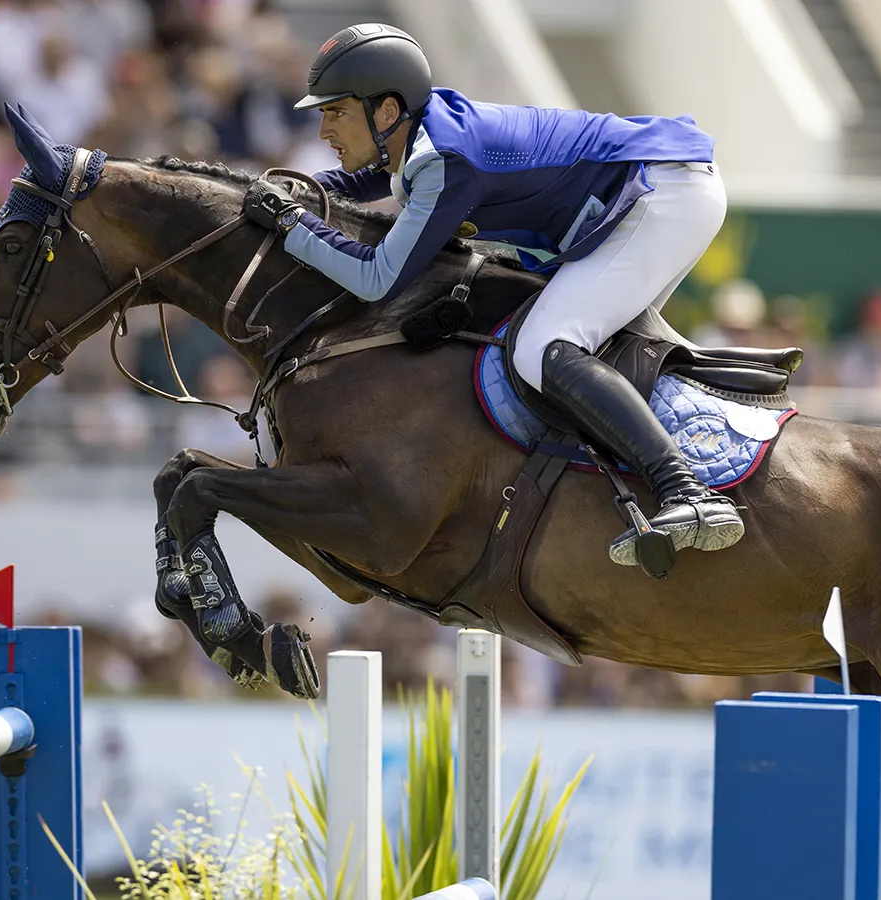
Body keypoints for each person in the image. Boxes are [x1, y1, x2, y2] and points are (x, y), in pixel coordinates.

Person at [238, 23, 742, 569]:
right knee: (573, 346)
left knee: (542, 346)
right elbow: (386, 179)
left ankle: (688, 494)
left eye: (335, 112)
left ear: (386, 113)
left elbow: (375, 279)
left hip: (663, 193)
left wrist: (291, 224)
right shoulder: (423, 135)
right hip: (662, 187)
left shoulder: (445, 158)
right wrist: (314, 189)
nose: (323, 130)